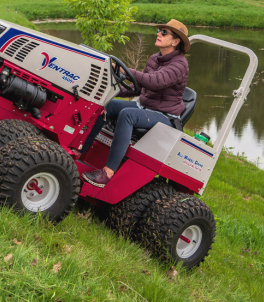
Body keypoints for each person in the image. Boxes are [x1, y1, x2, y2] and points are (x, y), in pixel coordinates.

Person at [80, 19, 190, 188]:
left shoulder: (180, 65)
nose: (158, 34)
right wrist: (111, 91)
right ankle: (79, 150)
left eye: (164, 32)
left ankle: (108, 173)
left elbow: (154, 82)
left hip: (165, 115)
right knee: (105, 105)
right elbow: (139, 88)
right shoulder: (154, 58)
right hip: (144, 106)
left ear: (175, 42)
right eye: (159, 30)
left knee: (127, 115)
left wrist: (127, 70)